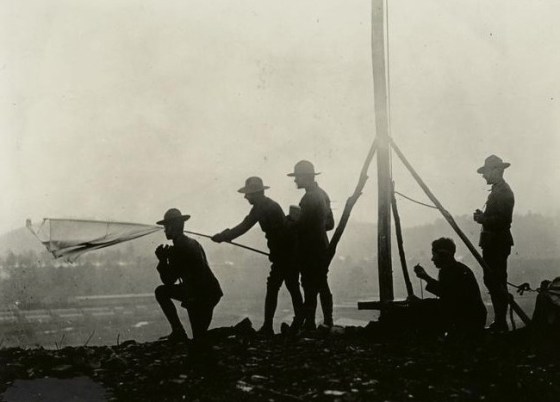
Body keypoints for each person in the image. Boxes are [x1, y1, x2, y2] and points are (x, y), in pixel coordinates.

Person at [211, 176, 304, 336]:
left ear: (255, 193)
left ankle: (271, 326)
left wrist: (223, 236)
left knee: (277, 287)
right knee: (290, 286)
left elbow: (244, 226)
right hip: (288, 253)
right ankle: (297, 323)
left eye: (248, 194)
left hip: (285, 254)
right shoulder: (268, 205)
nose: (246, 197)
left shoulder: (262, 208)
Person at [154, 208, 223, 345]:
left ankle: (238, 329)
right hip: (205, 293)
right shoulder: (190, 243)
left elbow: (168, 281)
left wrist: (162, 261)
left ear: (174, 226)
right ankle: (239, 329)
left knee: (199, 338)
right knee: (199, 336)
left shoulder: (179, 248)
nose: (165, 230)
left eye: (166, 226)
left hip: (200, 296)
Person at [288, 160, 335, 330]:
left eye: (297, 177)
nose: (295, 180)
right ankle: (328, 321)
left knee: (309, 286)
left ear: (306, 177)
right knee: (321, 283)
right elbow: (330, 224)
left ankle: (309, 324)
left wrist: (290, 222)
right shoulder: (323, 194)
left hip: (310, 250)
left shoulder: (308, 198)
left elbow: (302, 226)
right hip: (322, 247)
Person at [473, 154, 514, 332]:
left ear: (497, 171)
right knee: (492, 281)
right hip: (492, 243)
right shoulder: (498, 191)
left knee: (496, 282)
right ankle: (500, 321)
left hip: (497, 244)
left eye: (486, 172)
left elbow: (504, 220)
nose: (484, 176)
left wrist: (482, 219)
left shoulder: (504, 192)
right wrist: (483, 217)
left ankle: (500, 322)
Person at [414, 238, 487, 336]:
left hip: (468, 320)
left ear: (443, 255)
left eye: (434, 255)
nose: (432, 259)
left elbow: (447, 297)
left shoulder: (454, 271)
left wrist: (426, 279)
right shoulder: (456, 269)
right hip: (473, 317)